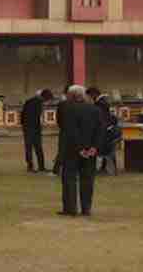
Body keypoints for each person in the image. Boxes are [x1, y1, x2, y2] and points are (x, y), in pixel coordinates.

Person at [58, 85, 104, 216]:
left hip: (72, 150)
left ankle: (70, 208)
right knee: (88, 179)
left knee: (69, 179)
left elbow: (69, 131)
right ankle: (86, 208)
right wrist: (94, 147)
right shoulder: (95, 110)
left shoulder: (68, 110)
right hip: (90, 151)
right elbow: (100, 131)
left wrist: (80, 149)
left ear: (71, 96)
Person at [21, 89, 54, 173]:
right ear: (45, 97)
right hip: (33, 128)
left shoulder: (30, 101)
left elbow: (22, 114)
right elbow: (35, 117)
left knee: (30, 148)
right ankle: (39, 166)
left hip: (28, 127)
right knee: (37, 147)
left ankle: (31, 166)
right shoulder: (38, 103)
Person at [95, 95, 121, 175]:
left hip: (101, 144)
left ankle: (102, 168)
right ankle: (108, 168)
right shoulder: (112, 117)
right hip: (109, 143)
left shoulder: (96, 115)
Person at [52, 84, 72, 176]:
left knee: (62, 150)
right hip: (75, 130)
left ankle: (56, 170)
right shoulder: (79, 103)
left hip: (65, 130)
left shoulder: (62, 104)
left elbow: (59, 119)